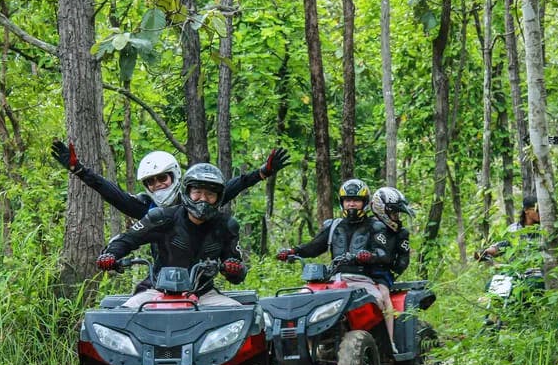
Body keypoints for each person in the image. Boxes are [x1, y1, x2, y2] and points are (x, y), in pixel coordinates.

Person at [96, 163, 246, 308]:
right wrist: (111, 255)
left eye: (210, 194)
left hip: (204, 294)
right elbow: (128, 239)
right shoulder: (161, 218)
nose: (203, 199)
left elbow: (237, 273)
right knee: (122, 317)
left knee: (242, 316)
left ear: (218, 197)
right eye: (197, 192)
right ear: (187, 192)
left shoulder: (226, 226)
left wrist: (233, 268)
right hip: (157, 291)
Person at [275, 178, 397, 348]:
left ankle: (391, 343)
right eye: (347, 200)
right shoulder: (334, 226)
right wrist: (292, 251)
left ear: (364, 202)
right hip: (334, 281)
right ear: (342, 202)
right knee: (302, 297)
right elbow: (313, 247)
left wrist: (368, 256)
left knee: (380, 301)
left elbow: (384, 254)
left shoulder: (375, 226)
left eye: (356, 200)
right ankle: (302, 346)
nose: (351, 204)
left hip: (363, 281)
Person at [51, 141, 290, 220]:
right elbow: (112, 193)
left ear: (174, 175)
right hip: (160, 280)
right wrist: (79, 170)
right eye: (151, 182)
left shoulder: (197, 200)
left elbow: (232, 187)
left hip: (200, 280)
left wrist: (262, 172)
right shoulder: (146, 208)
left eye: (162, 178)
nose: (157, 185)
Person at [368, 186, 415, 349]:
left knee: (383, 294)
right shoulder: (367, 225)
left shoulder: (400, 233)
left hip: (382, 273)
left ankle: (390, 341)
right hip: (358, 271)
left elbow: (403, 259)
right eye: (393, 212)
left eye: (397, 213)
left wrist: (391, 265)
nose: (396, 216)